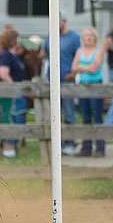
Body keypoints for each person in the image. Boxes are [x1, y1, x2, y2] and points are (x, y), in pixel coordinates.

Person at [44, 14, 81, 155]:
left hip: (67, 79)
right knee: (54, 114)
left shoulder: (74, 38)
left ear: (64, 21)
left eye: (58, 20)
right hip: (51, 80)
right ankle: (57, 145)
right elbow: (45, 52)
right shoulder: (50, 35)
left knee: (69, 113)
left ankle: (70, 143)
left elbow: (79, 56)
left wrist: (72, 73)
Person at [71, 27, 106, 157]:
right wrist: (85, 68)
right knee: (85, 118)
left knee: (97, 117)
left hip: (95, 86)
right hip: (82, 87)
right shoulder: (79, 51)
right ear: (83, 38)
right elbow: (73, 67)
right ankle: (86, 147)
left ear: (95, 38)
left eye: (91, 36)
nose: (89, 38)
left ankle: (100, 147)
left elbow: (95, 68)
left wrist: (81, 67)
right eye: (86, 36)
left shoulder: (99, 50)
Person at [0, 28, 28, 158]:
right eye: (17, 37)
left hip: (19, 93)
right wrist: (13, 88)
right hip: (11, 94)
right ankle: (8, 147)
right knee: (11, 118)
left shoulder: (15, 56)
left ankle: (12, 146)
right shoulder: (6, 55)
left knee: (18, 117)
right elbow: (3, 74)